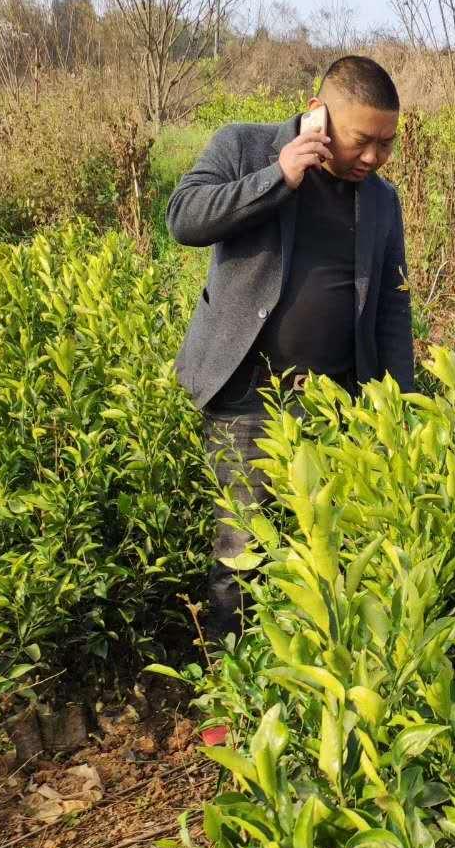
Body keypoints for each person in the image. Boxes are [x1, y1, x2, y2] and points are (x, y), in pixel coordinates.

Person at [167, 55, 413, 643]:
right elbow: (184, 218)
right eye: (363, 141)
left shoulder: (381, 200)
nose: (374, 158)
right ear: (318, 116)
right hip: (247, 396)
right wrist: (280, 176)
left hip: (337, 403)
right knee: (242, 551)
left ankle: (299, 688)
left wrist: (400, 402)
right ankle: (234, 697)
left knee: (324, 548)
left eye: (387, 143)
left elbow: (391, 305)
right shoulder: (244, 147)